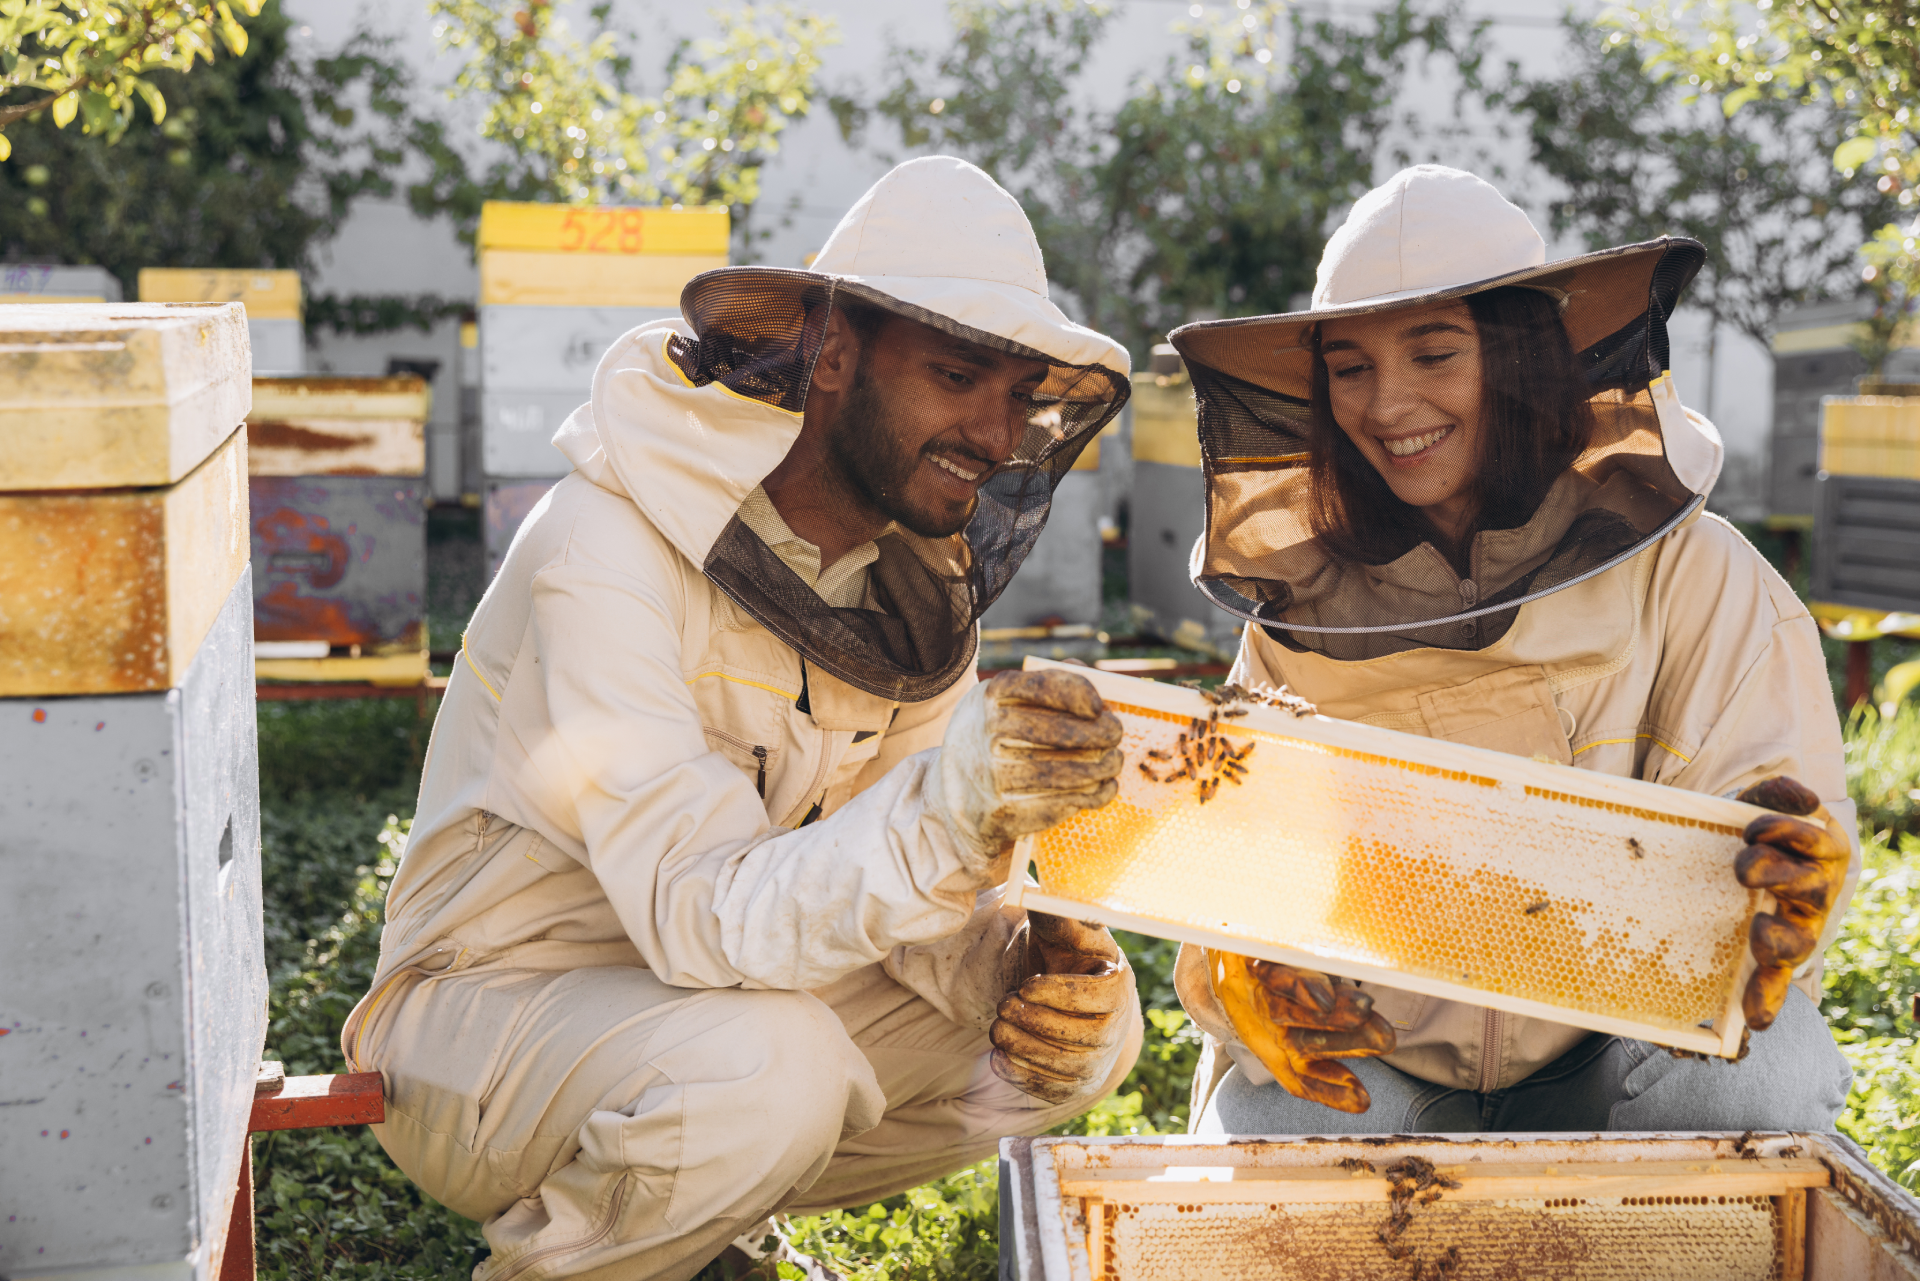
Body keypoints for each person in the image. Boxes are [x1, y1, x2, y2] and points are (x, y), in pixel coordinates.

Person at [338, 157, 1145, 1281]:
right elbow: (691, 908)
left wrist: (1035, 969)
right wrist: (950, 810)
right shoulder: (603, 545)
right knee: (772, 1068)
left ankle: (695, 1212)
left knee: (1077, 1045)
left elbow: (904, 901)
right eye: (960, 375)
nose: (998, 431)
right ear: (832, 353)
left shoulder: (900, 588)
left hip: (717, 1002)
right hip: (486, 1017)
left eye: (1018, 394)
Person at [1166, 165, 1858, 1135]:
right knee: (1263, 1131)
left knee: (1758, 1087)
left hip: (1625, 1057)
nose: (1387, 405)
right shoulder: (1299, 612)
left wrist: (1775, 893)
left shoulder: (1698, 577)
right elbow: (1231, 859)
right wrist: (1252, 973)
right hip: (1387, 1067)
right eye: (1350, 367)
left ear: (1522, 360)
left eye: (1434, 355)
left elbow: (1778, 833)